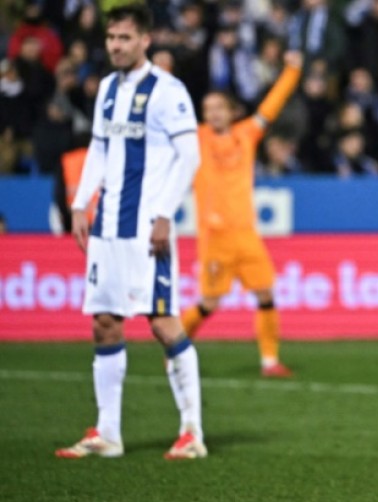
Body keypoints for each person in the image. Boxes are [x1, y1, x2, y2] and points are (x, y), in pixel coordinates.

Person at [56, 4, 206, 460]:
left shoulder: (167, 90)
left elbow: (191, 157)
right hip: (106, 230)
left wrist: (164, 213)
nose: (116, 46)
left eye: (124, 38)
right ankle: (108, 433)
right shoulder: (104, 89)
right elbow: (99, 150)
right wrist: (81, 203)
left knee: (162, 323)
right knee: (104, 324)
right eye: (111, 38)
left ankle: (191, 433)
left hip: (146, 230)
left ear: (145, 40)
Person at [180, 51, 302, 378]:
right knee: (209, 304)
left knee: (266, 294)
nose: (213, 114)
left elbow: (270, 108)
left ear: (232, 111)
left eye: (218, 108)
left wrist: (292, 71)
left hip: (246, 234)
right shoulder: (195, 139)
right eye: (207, 109)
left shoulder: (246, 134)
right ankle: (175, 350)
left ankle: (269, 361)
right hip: (215, 236)